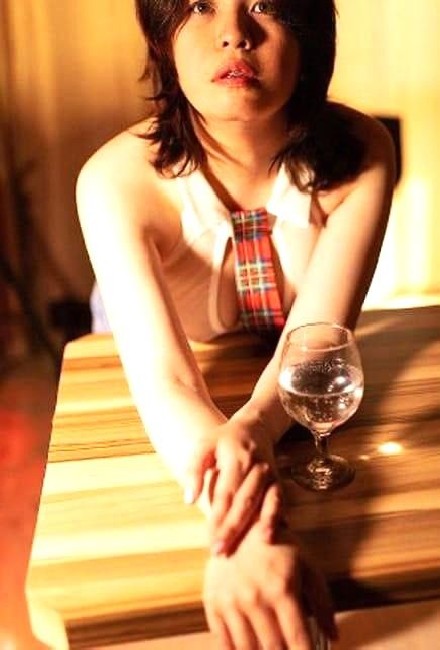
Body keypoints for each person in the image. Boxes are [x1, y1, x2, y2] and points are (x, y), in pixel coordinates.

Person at [76, 0, 395, 647]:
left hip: (288, 349)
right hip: (166, 352)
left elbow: (313, 349)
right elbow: (169, 385)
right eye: (200, 5)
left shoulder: (364, 151)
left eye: (265, 5)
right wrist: (247, 537)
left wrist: (252, 429)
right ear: (162, 38)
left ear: (310, 33)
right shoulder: (112, 181)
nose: (233, 34)